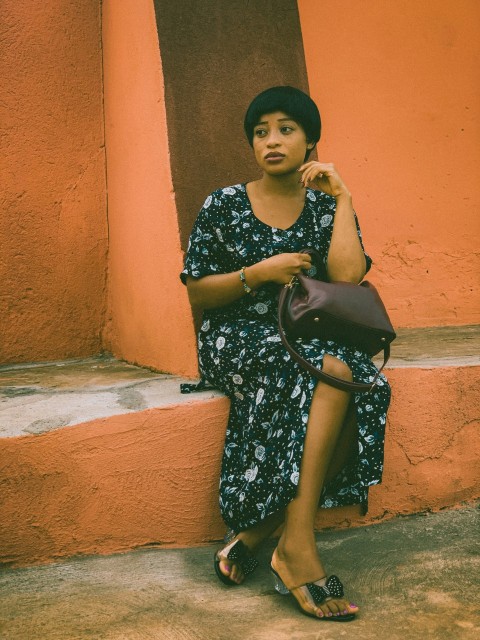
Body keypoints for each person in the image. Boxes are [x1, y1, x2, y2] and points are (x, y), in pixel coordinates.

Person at [180, 86, 391, 622]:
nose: (271, 141)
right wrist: (259, 274)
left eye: (286, 129)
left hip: (303, 334)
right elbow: (199, 290)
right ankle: (298, 549)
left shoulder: (324, 207)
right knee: (326, 372)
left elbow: (347, 276)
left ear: (310, 141)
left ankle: (263, 536)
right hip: (235, 337)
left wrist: (343, 197)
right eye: (260, 131)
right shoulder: (224, 203)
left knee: (360, 380)